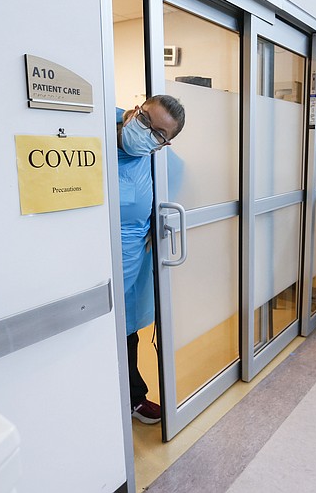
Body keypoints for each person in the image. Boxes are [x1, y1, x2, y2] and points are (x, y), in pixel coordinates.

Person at [117, 95, 185, 424]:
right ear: (135, 109)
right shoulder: (94, 132)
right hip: (84, 256)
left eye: (159, 134)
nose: (147, 134)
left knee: (126, 330)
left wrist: (156, 223)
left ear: (163, 145)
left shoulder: (151, 158)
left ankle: (133, 398)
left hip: (129, 259)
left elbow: (178, 177)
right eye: (145, 121)